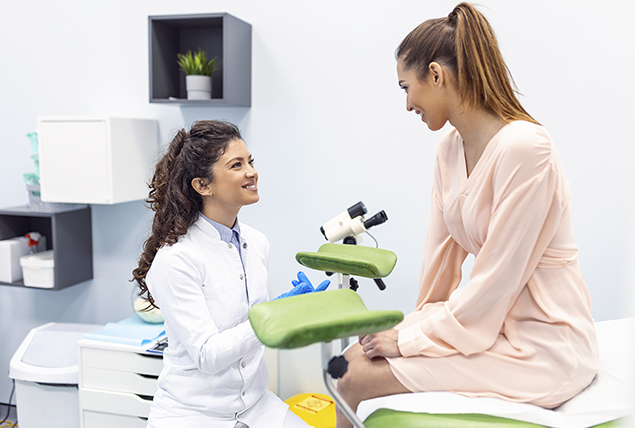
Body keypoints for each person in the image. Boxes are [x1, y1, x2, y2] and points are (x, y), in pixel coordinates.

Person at [335, 3, 599, 427]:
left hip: (544, 347)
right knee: (347, 359)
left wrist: (412, 341)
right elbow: (439, 271)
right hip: (490, 329)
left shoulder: (525, 149)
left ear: (436, 75)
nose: (406, 105)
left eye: (406, 87)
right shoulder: (448, 150)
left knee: (349, 378)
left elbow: (496, 280)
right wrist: (410, 328)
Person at [132, 120, 327, 428]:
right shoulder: (177, 260)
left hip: (256, 406)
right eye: (236, 165)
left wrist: (294, 315)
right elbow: (209, 355)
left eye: (250, 161)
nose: (251, 172)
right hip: (194, 415)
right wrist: (272, 316)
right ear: (203, 185)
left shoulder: (256, 243)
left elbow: (249, 334)